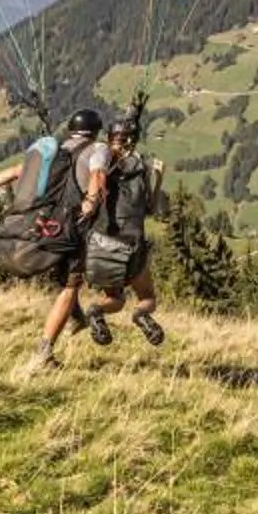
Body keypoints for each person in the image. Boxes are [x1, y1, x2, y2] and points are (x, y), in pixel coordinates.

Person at [0, 107, 110, 364]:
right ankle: (44, 353)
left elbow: (15, 172)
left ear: (71, 131)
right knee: (71, 286)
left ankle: (76, 317)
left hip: (40, 226)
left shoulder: (54, 154)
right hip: (68, 228)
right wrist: (91, 203)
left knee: (66, 280)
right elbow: (97, 174)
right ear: (95, 132)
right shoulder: (98, 149)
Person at [73, 112, 165, 346]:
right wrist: (159, 178)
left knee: (115, 297)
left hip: (99, 246)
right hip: (131, 247)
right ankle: (141, 314)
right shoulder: (141, 165)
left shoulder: (100, 162)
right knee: (147, 296)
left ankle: (95, 310)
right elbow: (151, 208)